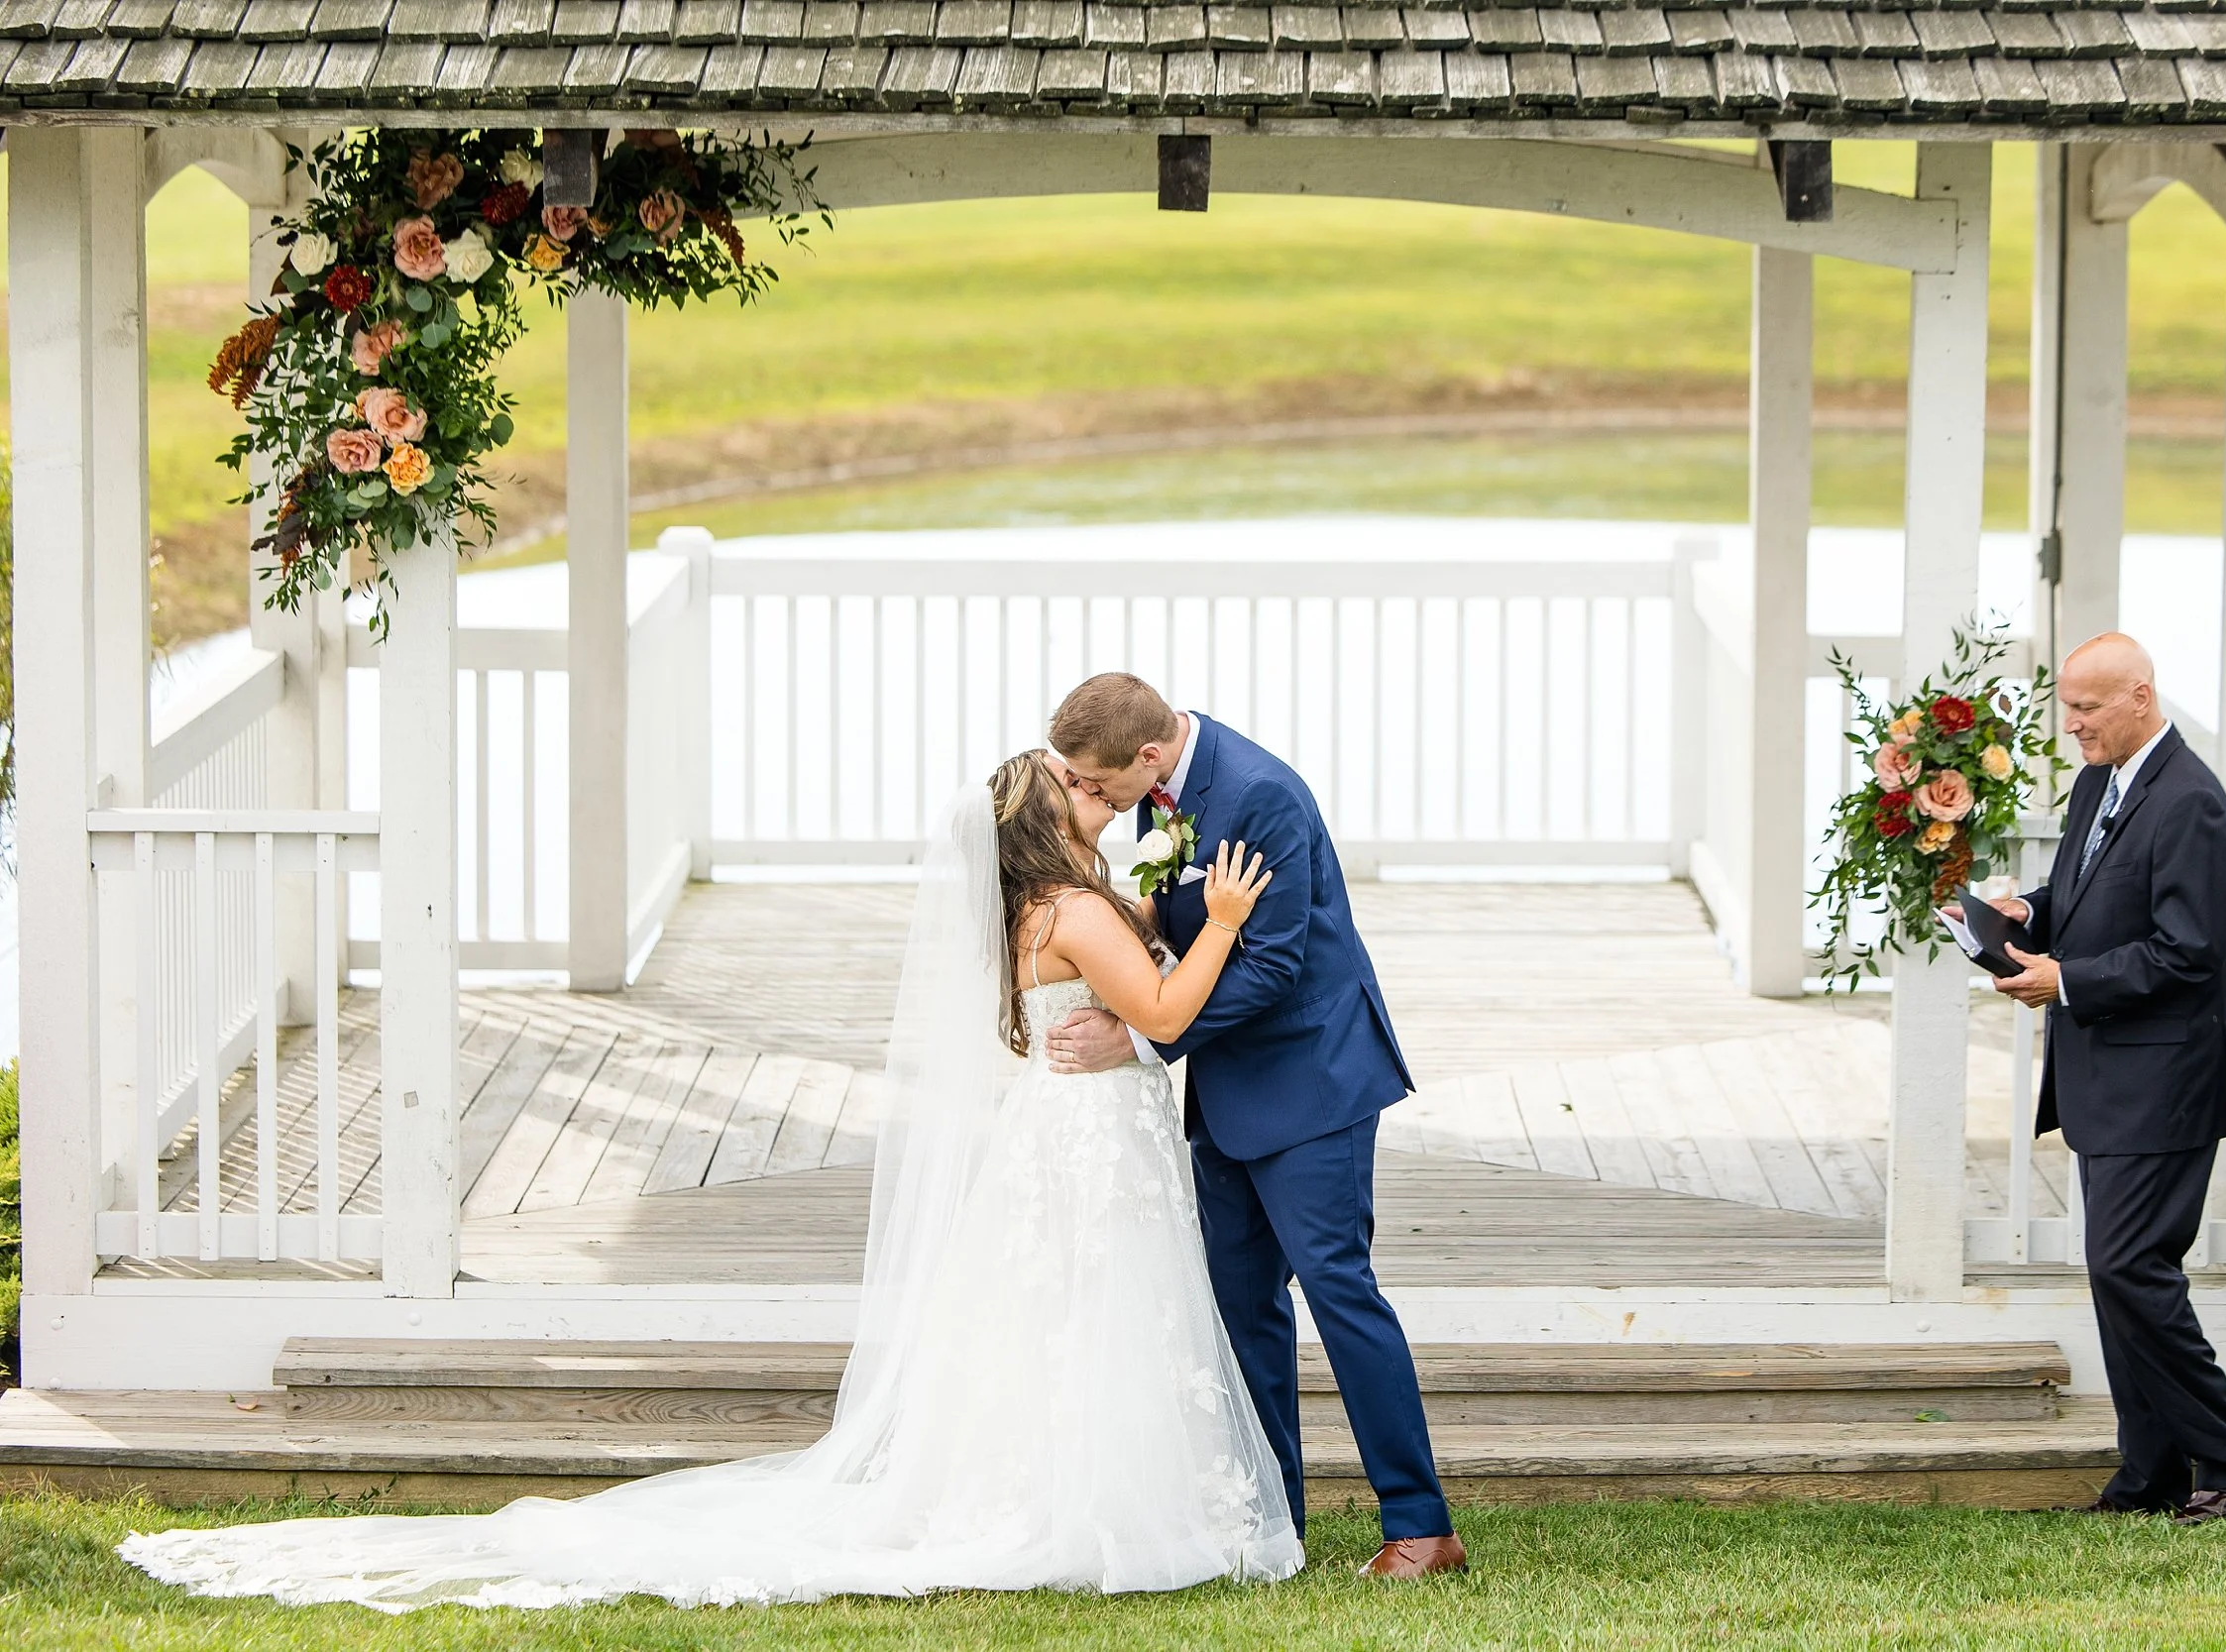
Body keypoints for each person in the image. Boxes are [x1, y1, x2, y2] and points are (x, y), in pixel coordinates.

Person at [120, 753, 1301, 1608]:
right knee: (1094, 1314)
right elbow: (1158, 1008)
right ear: (1055, 828)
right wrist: (1223, 919)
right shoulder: (1078, 908)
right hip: (1087, 1142)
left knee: (1068, 1318)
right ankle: (1100, 1499)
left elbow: (1112, 982)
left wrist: (1161, 911)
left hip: (1067, 1135)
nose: (1099, 805)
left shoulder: (1032, 910)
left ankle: (1077, 1481)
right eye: (1081, 796)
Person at [1045, 673, 1465, 1580]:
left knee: (1340, 1293)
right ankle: (1274, 1518)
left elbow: (1273, 963)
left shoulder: (1259, 794)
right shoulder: (1165, 793)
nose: (1096, 797)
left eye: (1099, 781)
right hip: (1230, 1093)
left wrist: (1147, 1036)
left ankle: (1424, 1527)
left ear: (1149, 755)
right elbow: (1194, 926)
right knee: (1242, 1308)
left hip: (1313, 1080)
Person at [1973, 632, 2226, 1524]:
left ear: (2141, 696)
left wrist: (2065, 979)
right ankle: (2148, 1473)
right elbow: (2086, 894)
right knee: (2119, 1276)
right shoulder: (2099, 781)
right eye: (2067, 707)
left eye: (2088, 708)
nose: (2072, 726)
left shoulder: (2193, 801)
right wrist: (2028, 910)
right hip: (2105, 1077)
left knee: (2128, 1265)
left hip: (2165, 1082)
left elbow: (2188, 952)